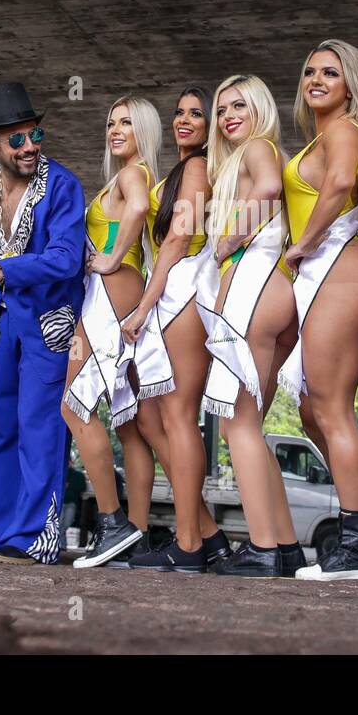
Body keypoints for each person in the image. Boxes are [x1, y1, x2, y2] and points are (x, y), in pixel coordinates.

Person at [272, 39, 358, 582]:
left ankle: (355, 540)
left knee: (330, 404)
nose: (316, 80)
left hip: (343, 269)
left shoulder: (345, 129)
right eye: (309, 71)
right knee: (310, 410)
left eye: (330, 72)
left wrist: (302, 246)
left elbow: (343, 182)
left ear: (351, 85)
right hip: (332, 276)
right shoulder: (319, 136)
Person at [0, 82, 86, 564]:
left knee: (39, 427)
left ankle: (36, 539)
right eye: (17, 140)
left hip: (50, 321)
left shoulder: (62, 185)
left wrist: (5, 269)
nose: (31, 145)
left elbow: (64, 258)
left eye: (35, 134)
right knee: (0, 428)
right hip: (4, 320)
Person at [196, 74, 309, 578]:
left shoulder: (260, 149)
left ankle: (262, 547)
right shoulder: (239, 158)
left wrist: (225, 244)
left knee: (237, 422)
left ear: (261, 107)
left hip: (255, 281)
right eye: (221, 109)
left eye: (239, 105)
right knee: (251, 425)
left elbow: (267, 187)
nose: (227, 117)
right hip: (275, 287)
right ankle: (284, 546)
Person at [120, 86, 232, 572]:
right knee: (149, 418)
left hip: (184, 288)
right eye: (179, 113)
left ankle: (188, 544)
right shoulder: (178, 169)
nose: (185, 120)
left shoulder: (198, 167)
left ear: (210, 126)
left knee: (178, 416)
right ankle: (207, 533)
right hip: (170, 289)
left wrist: (145, 302)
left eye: (197, 114)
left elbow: (181, 235)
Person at [61, 95, 169, 569]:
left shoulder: (134, 174)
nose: (115, 129)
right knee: (128, 424)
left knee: (73, 403)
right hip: (117, 290)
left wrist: (109, 256)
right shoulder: (129, 173)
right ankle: (137, 536)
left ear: (144, 129)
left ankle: (112, 522)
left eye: (127, 122)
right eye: (111, 122)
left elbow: (139, 208)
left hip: (113, 288)